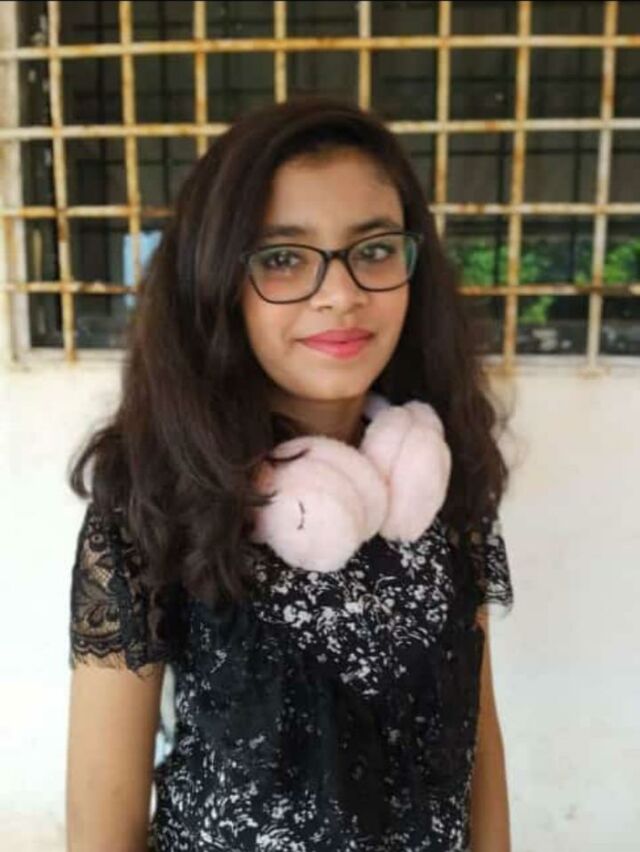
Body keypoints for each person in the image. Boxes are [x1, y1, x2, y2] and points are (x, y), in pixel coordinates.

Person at [65, 96, 515, 852]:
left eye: (374, 248)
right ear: (219, 282)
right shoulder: (153, 496)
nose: (341, 294)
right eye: (282, 258)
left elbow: (478, 737)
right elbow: (100, 818)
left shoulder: (438, 476)